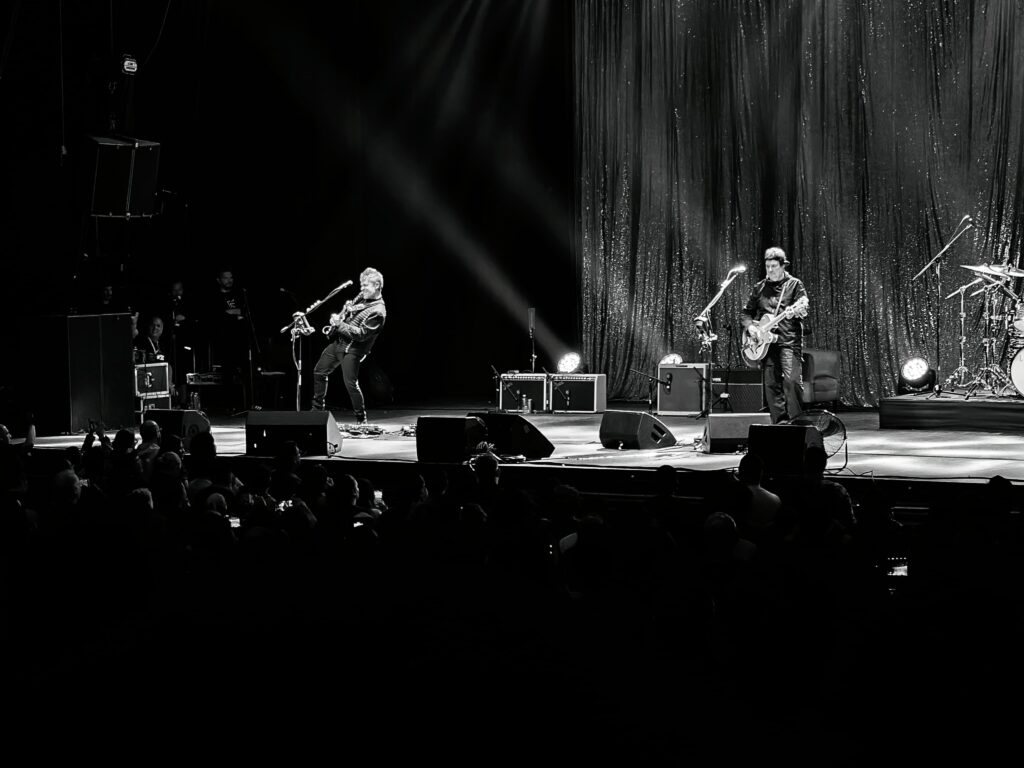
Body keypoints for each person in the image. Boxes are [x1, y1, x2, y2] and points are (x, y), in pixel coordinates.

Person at [740, 247, 809, 424]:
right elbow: (746, 313)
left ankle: (797, 423)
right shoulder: (760, 287)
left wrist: (795, 312)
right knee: (771, 385)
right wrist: (751, 328)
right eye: (767, 266)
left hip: (788, 341)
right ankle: (780, 423)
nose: (770, 270)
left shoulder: (794, 285)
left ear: (783, 265)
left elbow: (804, 309)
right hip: (765, 343)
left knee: (792, 382)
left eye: (774, 266)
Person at [312, 267, 386, 424]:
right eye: (361, 285)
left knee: (350, 384)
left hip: (353, 350)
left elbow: (360, 334)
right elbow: (350, 310)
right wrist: (343, 313)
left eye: (366, 285)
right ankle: (317, 411)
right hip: (339, 343)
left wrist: (339, 325)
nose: (362, 289)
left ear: (377, 286)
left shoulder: (378, 312)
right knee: (319, 372)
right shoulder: (362, 296)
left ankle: (361, 418)